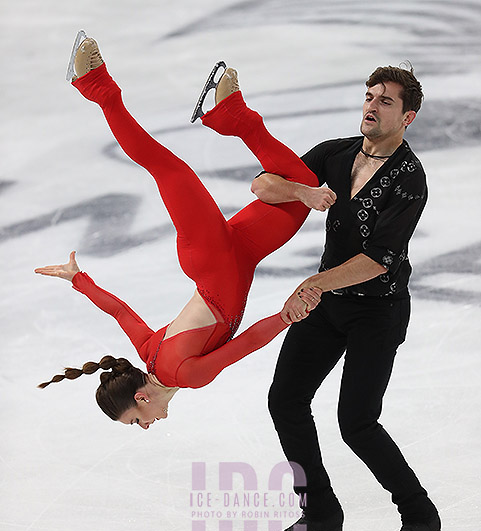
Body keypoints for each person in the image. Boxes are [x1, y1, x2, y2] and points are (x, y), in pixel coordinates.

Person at [35, 35, 327, 428]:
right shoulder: (147, 351)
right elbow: (118, 310)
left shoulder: (187, 376)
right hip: (242, 256)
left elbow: (249, 343)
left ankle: (96, 85)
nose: (147, 424)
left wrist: (285, 318)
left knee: (166, 167)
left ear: (140, 398)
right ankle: (231, 114)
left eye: (137, 420)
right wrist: (78, 280)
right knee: (302, 184)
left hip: (211, 258)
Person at [253, 64, 443, 531]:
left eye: (385, 101)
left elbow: (378, 259)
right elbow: (262, 184)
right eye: (369, 96)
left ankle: (422, 518)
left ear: (408, 117)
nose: (371, 106)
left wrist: (314, 282)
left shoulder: (409, 177)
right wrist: (302, 192)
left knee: (357, 422)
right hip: (329, 304)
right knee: (285, 399)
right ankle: (320, 515)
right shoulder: (335, 154)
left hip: (377, 311)